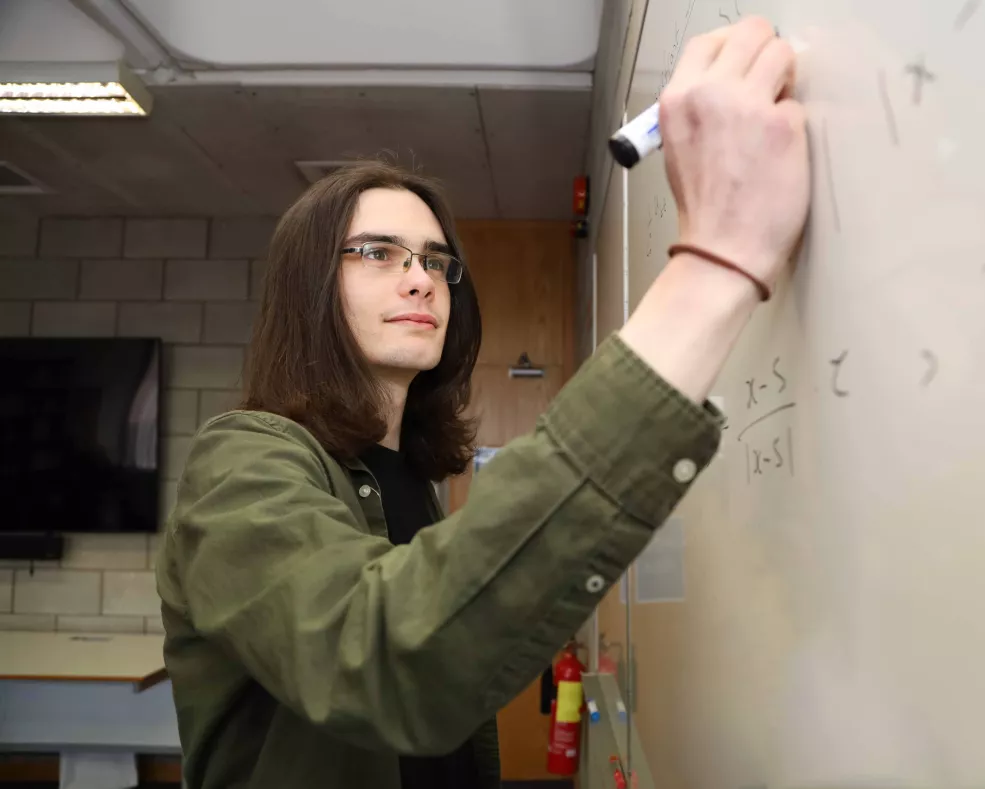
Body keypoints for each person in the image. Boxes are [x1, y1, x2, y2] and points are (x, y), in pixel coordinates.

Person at [155, 15, 810, 789]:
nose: (420, 277)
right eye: (377, 253)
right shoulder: (242, 462)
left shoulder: (413, 485)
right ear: (309, 287)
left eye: (435, 260)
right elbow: (388, 657)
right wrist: (715, 265)